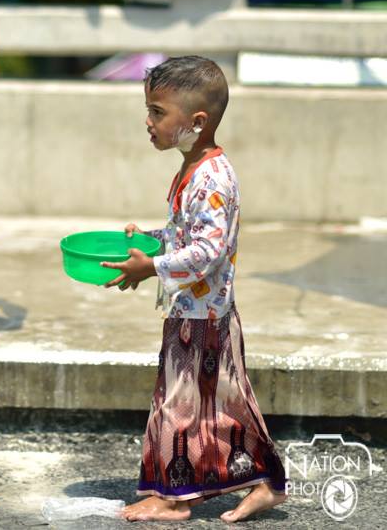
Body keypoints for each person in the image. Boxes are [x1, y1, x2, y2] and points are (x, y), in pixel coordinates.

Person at [100, 56, 287, 523]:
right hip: (198, 312)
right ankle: (267, 483)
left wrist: (153, 267)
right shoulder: (193, 168)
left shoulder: (211, 178)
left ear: (196, 122)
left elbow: (209, 250)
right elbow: (189, 236)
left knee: (178, 407)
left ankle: (174, 498)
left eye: (158, 112)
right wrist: (150, 243)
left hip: (203, 319)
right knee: (224, 404)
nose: (149, 122)